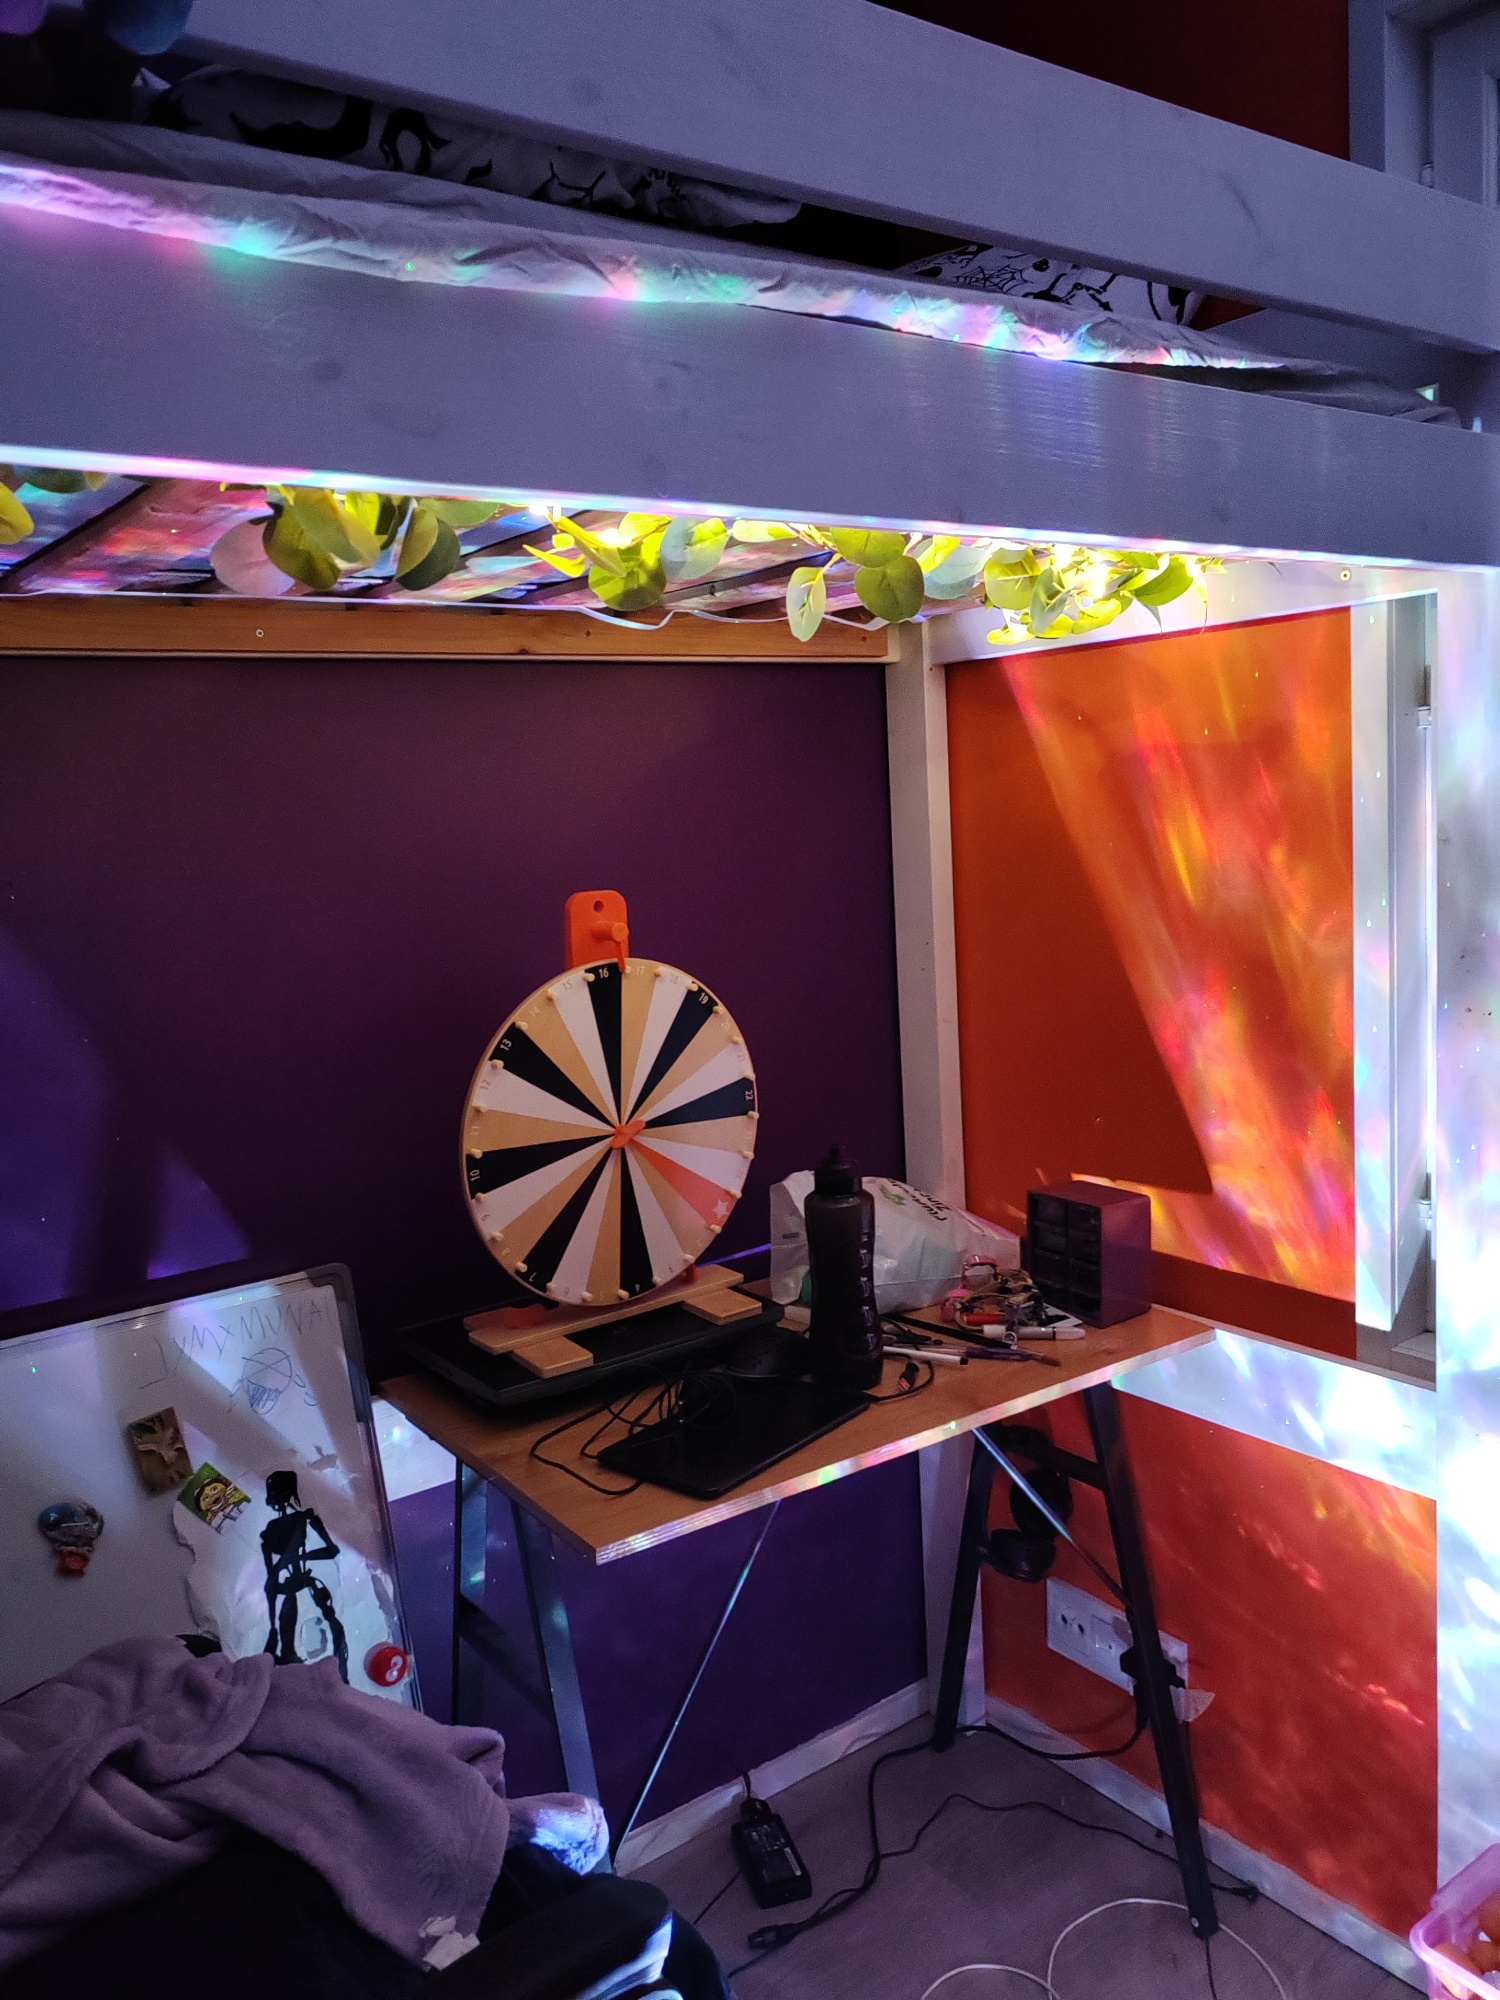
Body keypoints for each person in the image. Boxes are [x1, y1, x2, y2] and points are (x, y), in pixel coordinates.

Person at [260, 1470, 349, 1681]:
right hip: (287, 1592)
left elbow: (332, 1550)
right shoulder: (271, 1529)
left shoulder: (305, 1519)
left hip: (308, 1585)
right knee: (287, 1642)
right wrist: (272, 1627)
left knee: (330, 1626)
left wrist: (299, 1558)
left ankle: (340, 1676)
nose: (273, 1498)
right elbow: (271, 1580)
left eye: (276, 1492)